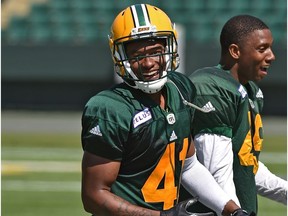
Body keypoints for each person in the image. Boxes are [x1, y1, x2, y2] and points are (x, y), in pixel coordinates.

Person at [81, 4, 250, 216]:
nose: (149, 63)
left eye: (155, 52)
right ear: (121, 57)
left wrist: (230, 210)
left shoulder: (179, 89)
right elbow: (93, 195)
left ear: (169, 49)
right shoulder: (111, 110)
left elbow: (189, 166)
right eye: (136, 56)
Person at [179, 15, 287, 215]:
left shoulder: (249, 91)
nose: (271, 56)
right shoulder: (212, 88)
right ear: (235, 51)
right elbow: (215, 173)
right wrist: (235, 212)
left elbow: (245, 165)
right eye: (262, 49)